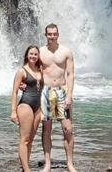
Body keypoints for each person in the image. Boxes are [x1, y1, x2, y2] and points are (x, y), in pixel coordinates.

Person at [40, 23, 76, 172]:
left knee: (67, 129)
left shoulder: (66, 51)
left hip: (62, 92)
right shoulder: (40, 52)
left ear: (58, 34)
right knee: (46, 130)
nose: (52, 36)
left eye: (54, 34)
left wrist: (69, 95)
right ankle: (47, 163)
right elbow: (32, 71)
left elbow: (70, 74)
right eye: (49, 34)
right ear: (45, 35)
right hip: (45, 92)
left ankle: (70, 164)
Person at [9, 45, 43, 172]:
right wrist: (13, 111)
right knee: (25, 139)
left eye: (35, 54)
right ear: (26, 55)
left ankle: (24, 167)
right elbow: (14, 92)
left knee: (31, 140)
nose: (33, 56)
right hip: (25, 105)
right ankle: (27, 170)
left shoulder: (41, 70)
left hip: (38, 107)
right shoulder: (22, 71)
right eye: (31, 54)